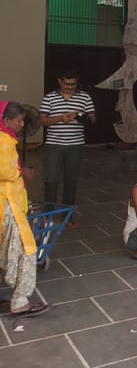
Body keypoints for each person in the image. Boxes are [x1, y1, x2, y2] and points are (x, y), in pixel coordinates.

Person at [0, 101, 51, 317]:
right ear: (6, 120)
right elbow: (4, 171)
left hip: (7, 203)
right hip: (8, 204)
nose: (22, 124)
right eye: (19, 120)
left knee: (7, 249)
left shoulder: (7, 139)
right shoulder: (3, 141)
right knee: (27, 250)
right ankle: (20, 302)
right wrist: (22, 172)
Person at [38, 69, 95, 228]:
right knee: (51, 181)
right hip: (54, 145)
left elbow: (93, 120)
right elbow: (41, 121)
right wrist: (60, 118)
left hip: (75, 145)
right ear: (59, 81)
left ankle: (67, 217)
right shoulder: (49, 98)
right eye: (66, 84)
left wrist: (81, 118)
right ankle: (47, 216)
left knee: (71, 181)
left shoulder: (85, 97)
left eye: (73, 84)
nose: (69, 87)